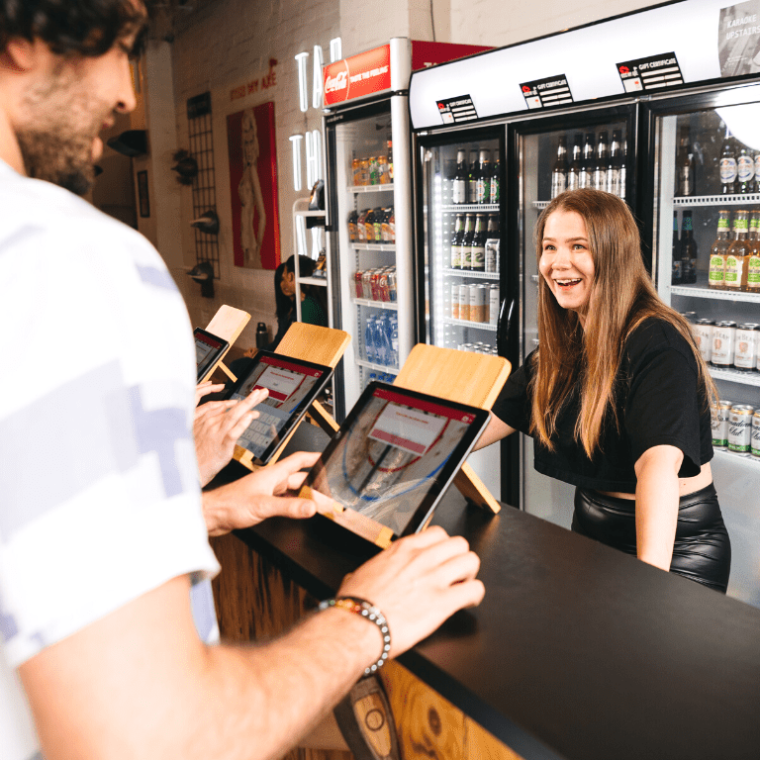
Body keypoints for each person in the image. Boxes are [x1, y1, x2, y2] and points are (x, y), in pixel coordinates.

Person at [0, 4, 485, 760]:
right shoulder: (61, 263)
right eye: (119, 45)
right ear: (26, 35)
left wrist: (210, 511)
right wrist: (370, 615)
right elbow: (153, 739)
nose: (128, 93)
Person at [477, 188, 731, 592]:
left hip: (675, 546)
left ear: (615, 254)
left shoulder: (657, 342)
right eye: (549, 247)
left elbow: (656, 470)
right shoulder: (563, 347)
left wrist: (651, 589)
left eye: (579, 246)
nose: (558, 263)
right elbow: (485, 420)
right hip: (592, 527)